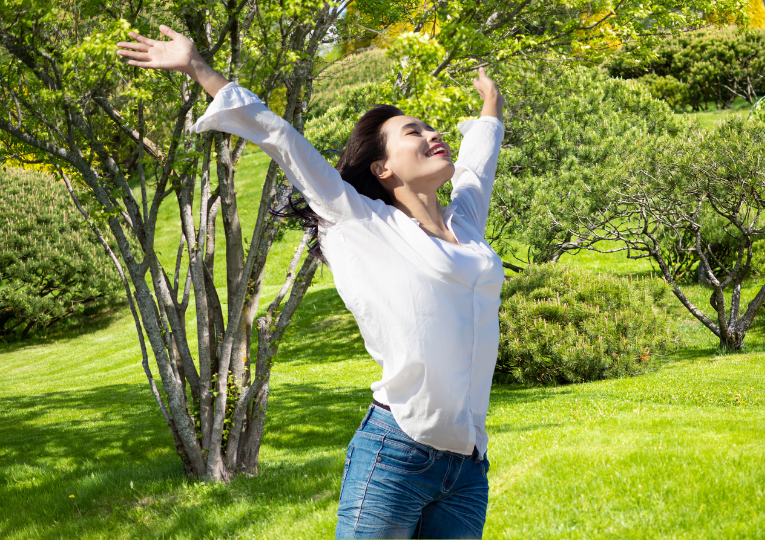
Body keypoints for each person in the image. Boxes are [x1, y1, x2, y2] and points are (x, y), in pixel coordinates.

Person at [118, 25, 506, 540]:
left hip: (468, 468)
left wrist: (491, 106)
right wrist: (198, 68)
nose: (432, 134)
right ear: (382, 168)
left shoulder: (466, 227)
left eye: (431, 128)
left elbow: (478, 168)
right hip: (398, 454)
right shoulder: (361, 222)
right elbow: (281, 138)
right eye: (413, 132)